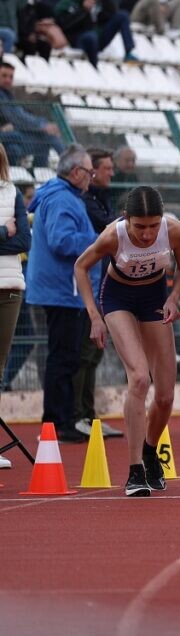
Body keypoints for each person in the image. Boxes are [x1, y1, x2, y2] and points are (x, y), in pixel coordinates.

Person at [72, 187, 180, 496]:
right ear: (127, 219)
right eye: (140, 227)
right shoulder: (113, 235)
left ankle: (151, 452)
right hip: (117, 297)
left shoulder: (175, 231)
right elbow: (81, 267)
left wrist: (174, 298)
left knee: (164, 395)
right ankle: (135, 470)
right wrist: (94, 317)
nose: (148, 234)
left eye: (153, 226)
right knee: (139, 378)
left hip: (153, 296)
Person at [25, 145, 100, 444]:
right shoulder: (62, 200)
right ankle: (57, 421)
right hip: (62, 290)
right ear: (76, 172)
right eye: (90, 172)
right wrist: (99, 240)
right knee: (64, 357)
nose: (91, 178)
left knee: (64, 356)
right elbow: (62, 241)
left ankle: (60, 419)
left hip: (61, 289)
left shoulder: (60, 196)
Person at [72, 148, 122, 439]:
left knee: (93, 353)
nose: (111, 173)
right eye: (106, 168)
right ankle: (78, 415)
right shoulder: (86, 203)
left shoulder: (100, 200)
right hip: (86, 286)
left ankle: (87, 415)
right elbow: (108, 232)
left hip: (100, 283)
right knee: (84, 353)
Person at [0, 144, 31, 470]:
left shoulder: (11, 194)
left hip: (9, 286)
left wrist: (11, 233)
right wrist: (2, 231)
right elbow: (12, 236)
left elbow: (24, 241)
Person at [54, 0, 140, 67]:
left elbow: (109, 14)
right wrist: (83, 10)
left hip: (98, 37)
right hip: (79, 39)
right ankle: (94, 67)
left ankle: (129, 52)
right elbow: (65, 25)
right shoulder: (65, 4)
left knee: (122, 15)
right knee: (91, 37)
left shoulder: (92, 0)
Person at [0, 61, 65, 168]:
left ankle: (38, 173)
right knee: (47, 136)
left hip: (11, 137)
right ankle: (69, 163)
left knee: (16, 148)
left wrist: (42, 124)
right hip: (4, 136)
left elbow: (19, 114)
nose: (8, 80)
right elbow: (16, 117)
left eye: (11, 77)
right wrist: (42, 126)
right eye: (4, 76)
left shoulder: (7, 94)